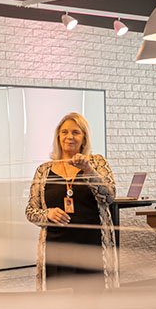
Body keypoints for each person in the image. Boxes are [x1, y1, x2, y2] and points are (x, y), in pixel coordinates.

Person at [25, 112, 119, 291]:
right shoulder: (43, 170)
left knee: (93, 302)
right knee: (59, 304)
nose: (69, 137)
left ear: (84, 138)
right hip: (56, 252)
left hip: (93, 249)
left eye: (76, 132)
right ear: (58, 137)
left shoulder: (97, 163)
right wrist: (47, 213)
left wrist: (88, 171)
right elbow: (30, 211)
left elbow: (109, 197)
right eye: (64, 132)